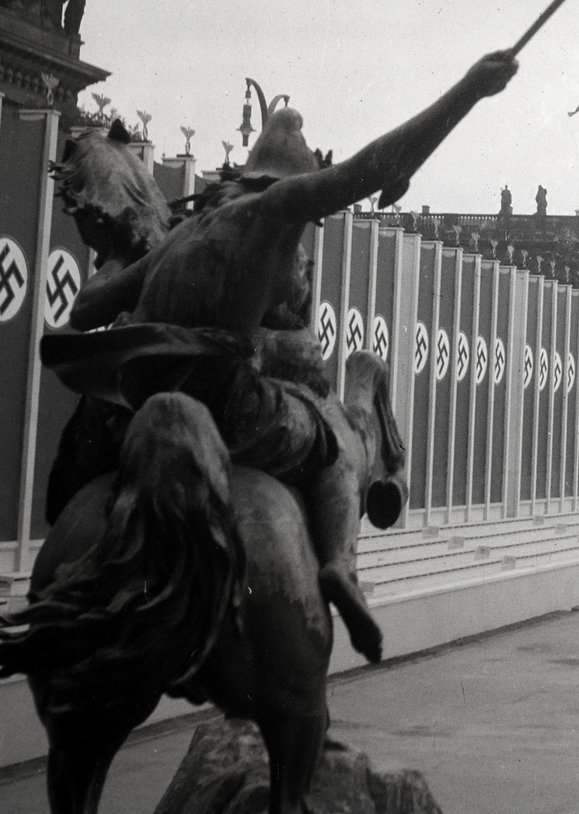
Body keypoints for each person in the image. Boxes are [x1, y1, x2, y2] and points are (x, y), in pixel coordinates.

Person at [53, 49, 518, 660]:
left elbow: (84, 313)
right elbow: (374, 165)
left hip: (139, 400)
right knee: (328, 441)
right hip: (225, 401)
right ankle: (338, 567)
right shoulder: (274, 213)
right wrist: (469, 89)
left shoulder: (176, 237)